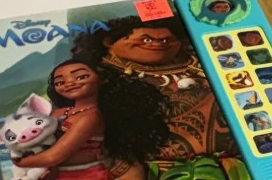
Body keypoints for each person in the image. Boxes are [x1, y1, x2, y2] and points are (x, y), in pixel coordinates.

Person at [12, 59, 166, 180]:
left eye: (81, 76)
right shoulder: (59, 113)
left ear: (101, 79)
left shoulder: (90, 116)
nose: (69, 83)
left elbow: (54, 156)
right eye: (60, 82)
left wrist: (21, 161)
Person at [72, 13, 237, 159]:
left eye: (166, 40)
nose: (158, 44)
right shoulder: (96, 79)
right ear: (109, 41)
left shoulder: (204, 61)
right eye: (146, 39)